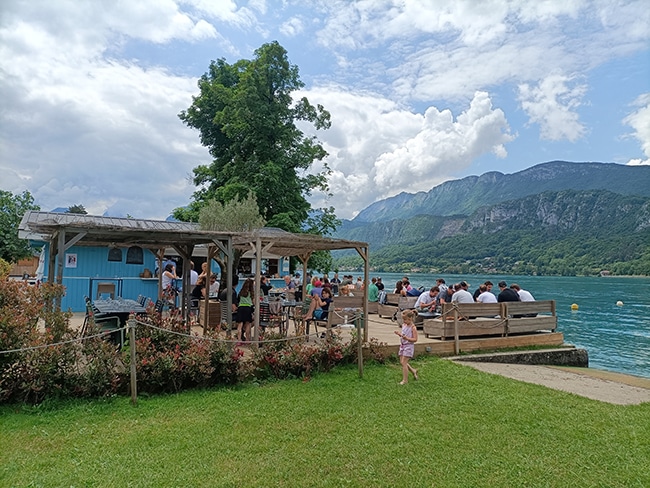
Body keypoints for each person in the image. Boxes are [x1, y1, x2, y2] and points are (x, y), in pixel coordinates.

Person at [394, 309, 418, 384]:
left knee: (404, 362)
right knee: (402, 362)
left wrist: (407, 338)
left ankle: (405, 380)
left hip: (409, 346)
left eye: (405, 319)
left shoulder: (413, 328)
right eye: (403, 319)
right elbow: (404, 334)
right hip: (403, 345)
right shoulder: (404, 325)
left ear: (410, 319)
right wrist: (399, 334)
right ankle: (413, 371)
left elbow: (415, 339)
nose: (403, 321)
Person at [235, 278, 254, 343]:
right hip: (248, 309)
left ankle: (239, 340)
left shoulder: (241, 292)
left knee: (240, 325)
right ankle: (247, 339)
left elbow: (238, 301)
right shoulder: (251, 293)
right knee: (248, 324)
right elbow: (253, 302)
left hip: (240, 308)